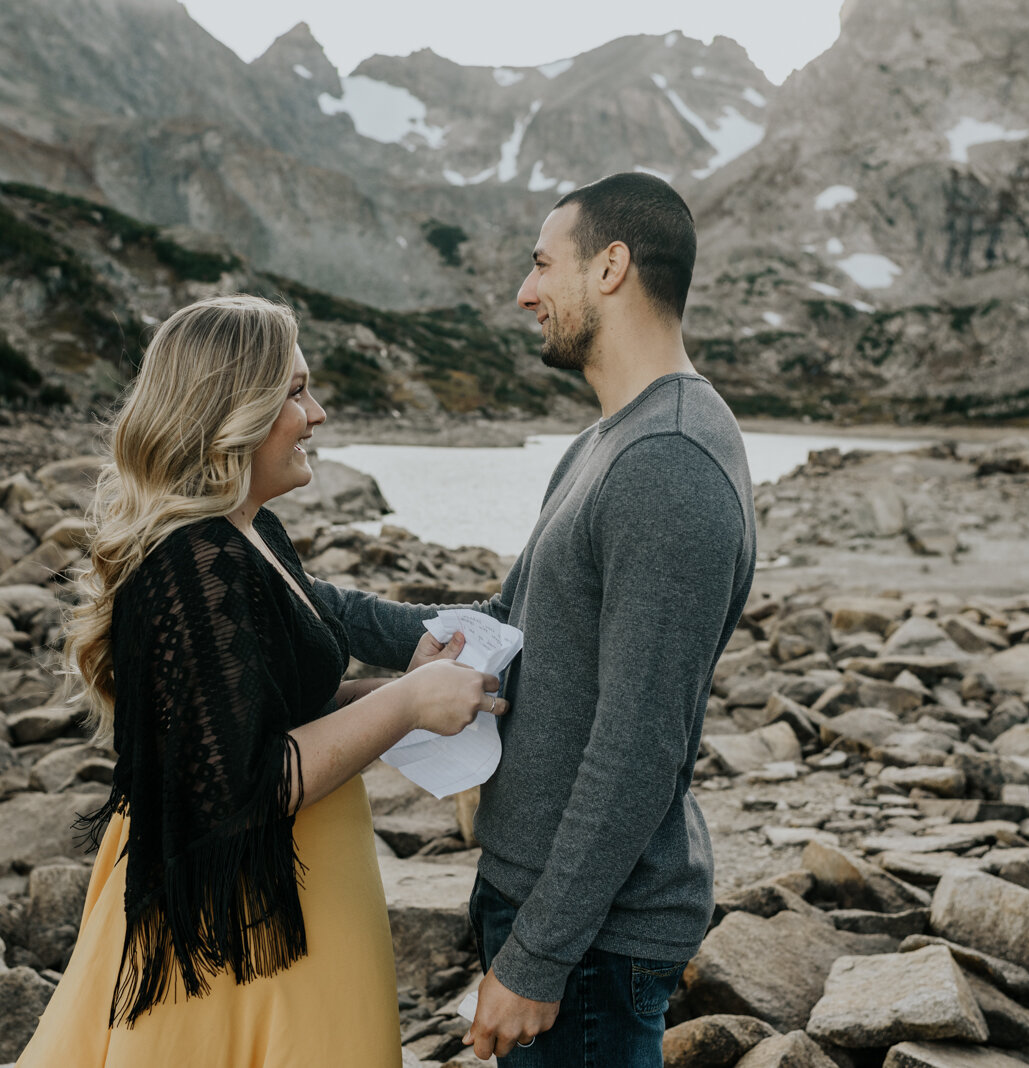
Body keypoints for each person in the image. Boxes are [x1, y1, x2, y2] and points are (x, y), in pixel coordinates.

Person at [315, 172, 756, 1066]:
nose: (525, 293)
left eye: (542, 264)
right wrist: (301, 601)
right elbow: (496, 633)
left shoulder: (666, 461)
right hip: (543, 899)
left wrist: (541, 958)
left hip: (591, 939)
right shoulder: (605, 443)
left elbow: (639, 746)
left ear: (611, 268)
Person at [15, 294, 504, 1067]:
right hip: (242, 929)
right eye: (295, 392)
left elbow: (273, 708)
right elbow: (245, 782)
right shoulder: (192, 562)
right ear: (230, 413)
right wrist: (408, 700)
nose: (317, 413)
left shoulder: (252, 532)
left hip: (303, 893)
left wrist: (402, 694)